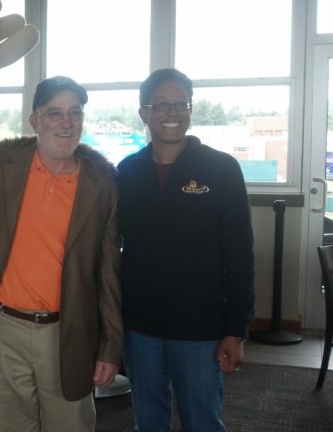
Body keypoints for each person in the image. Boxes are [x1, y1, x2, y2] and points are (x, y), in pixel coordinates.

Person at [0, 76, 123, 432]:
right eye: (55, 113)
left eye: (75, 113)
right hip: (2, 328)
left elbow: (108, 272)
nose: (66, 122)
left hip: (68, 331)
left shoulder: (101, 184)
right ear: (35, 120)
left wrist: (110, 347)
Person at [116, 68, 255, 432]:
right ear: (143, 112)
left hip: (200, 328)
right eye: (161, 104)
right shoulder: (126, 172)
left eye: (180, 104)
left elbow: (240, 254)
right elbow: (113, 247)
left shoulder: (222, 169)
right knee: (148, 418)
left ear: (191, 110)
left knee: (202, 420)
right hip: (140, 326)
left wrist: (235, 329)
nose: (171, 113)